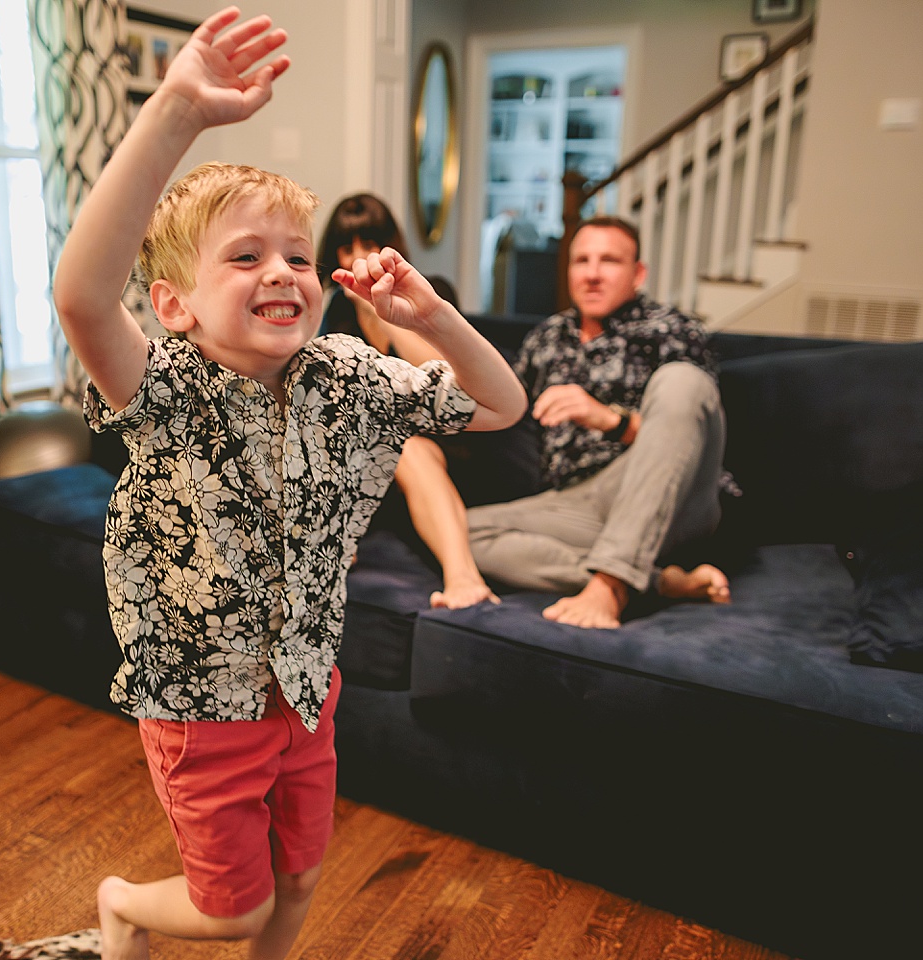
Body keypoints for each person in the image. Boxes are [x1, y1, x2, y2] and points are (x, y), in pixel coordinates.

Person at [49, 9, 527, 960]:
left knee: (300, 878)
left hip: (306, 690)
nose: (284, 273)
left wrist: (433, 315)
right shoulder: (167, 384)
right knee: (230, 908)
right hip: (198, 700)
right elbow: (78, 292)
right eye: (245, 256)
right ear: (175, 304)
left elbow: (502, 405)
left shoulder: (348, 374)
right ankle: (119, 903)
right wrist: (179, 108)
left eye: (298, 257)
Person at [466, 214, 732, 630]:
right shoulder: (546, 338)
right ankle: (660, 583)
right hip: (579, 502)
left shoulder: (672, 330)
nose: (592, 274)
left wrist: (610, 421)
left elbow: (688, 433)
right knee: (458, 533)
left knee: (684, 380)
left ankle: (613, 583)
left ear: (637, 272)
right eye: (580, 261)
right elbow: (500, 408)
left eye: (608, 261)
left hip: (667, 492)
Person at [318, 193, 498, 608]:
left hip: (447, 436)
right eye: (348, 247)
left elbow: (449, 374)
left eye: (370, 244)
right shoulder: (336, 315)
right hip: (375, 451)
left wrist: (382, 312)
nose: (360, 257)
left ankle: (463, 577)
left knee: (408, 447)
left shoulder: (430, 292)